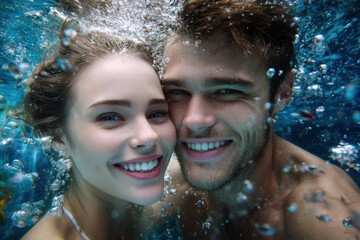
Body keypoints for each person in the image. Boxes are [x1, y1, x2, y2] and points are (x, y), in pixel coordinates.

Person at [155, 0, 360, 239]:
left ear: (283, 92)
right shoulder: (172, 178)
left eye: (227, 91)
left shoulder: (322, 215)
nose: (194, 121)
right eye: (177, 92)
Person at [16, 20, 176, 240]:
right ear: (57, 136)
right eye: (110, 117)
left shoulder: (156, 200)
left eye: (157, 113)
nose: (149, 135)